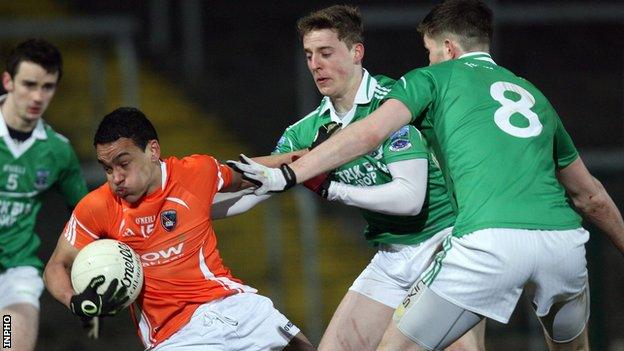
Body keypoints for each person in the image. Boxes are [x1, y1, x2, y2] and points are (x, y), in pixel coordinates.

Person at [229, 1, 624, 350]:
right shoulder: (532, 94)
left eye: (430, 51)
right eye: (309, 54)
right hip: (562, 243)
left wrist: (298, 176)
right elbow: (591, 197)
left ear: (448, 49)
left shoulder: (426, 81)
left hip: (465, 240)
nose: (315, 63)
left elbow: (372, 142)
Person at [217, 5, 484, 351]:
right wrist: (187, 206)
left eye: (326, 53)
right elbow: (260, 189)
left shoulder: (394, 104)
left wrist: (332, 189)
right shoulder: (305, 132)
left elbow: (410, 197)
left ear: (357, 52)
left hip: (446, 246)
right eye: (309, 55)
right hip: (392, 256)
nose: (315, 64)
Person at [43, 107, 314, 351]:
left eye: (123, 164)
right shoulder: (97, 207)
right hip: (176, 338)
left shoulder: (196, 171)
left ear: (153, 150)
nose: (116, 178)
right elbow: (55, 266)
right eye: (106, 168)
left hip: (235, 306)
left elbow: (248, 173)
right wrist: (74, 301)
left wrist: (307, 160)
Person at [0, 38, 88, 351]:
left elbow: (86, 215)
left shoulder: (58, 151)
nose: (38, 96)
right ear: (7, 80)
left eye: (48, 87)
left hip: (14, 275)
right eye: (29, 84)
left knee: (9, 343)